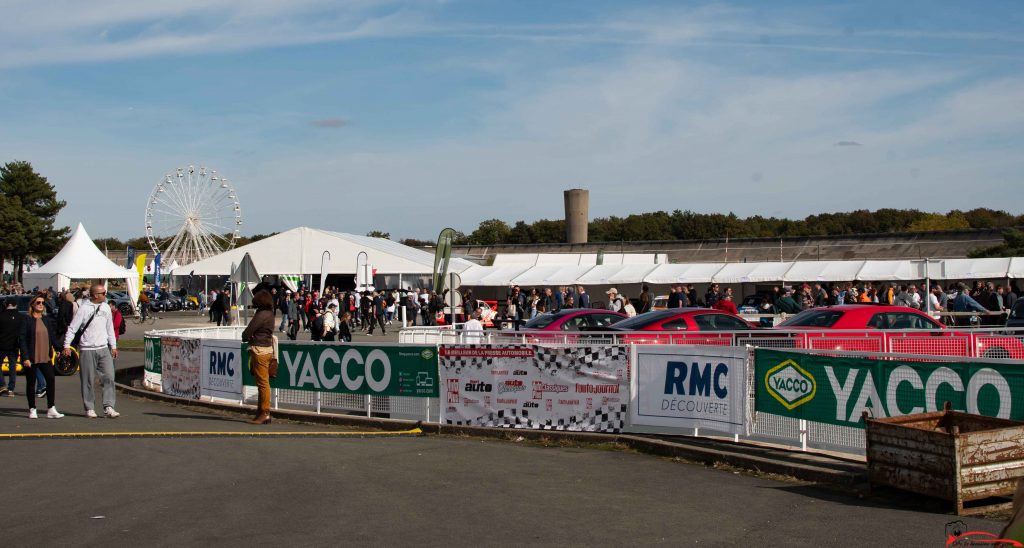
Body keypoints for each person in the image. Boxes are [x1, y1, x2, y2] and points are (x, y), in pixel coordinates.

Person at [62, 283, 119, 418]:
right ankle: (89, 407)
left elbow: (109, 328)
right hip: (87, 348)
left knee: (109, 377)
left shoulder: (105, 307)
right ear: (95, 295)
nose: (105, 295)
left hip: (103, 347)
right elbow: (72, 328)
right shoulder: (84, 308)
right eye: (103, 293)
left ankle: (109, 406)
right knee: (87, 380)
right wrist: (66, 345)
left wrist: (114, 345)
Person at [21, 294, 64, 419]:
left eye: (43, 303)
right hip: (31, 357)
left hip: (45, 356)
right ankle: (32, 409)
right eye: (38, 302)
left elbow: (52, 337)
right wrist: (25, 357)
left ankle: (51, 408)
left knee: (50, 379)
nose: (41, 305)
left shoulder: (46, 320)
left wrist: (59, 348)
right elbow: (22, 339)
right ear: (33, 304)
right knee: (31, 383)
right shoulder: (27, 319)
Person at [241, 290, 275, 425]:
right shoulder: (270, 314)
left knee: (262, 383)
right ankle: (261, 412)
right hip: (267, 349)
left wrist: (245, 336)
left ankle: (265, 413)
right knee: (263, 382)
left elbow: (249, 329)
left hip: (259, 350)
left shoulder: (261, 314)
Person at [0, 298, 21, 397]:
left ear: (6, 305)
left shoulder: (1, 316)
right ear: (15, 305)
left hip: (2, 344)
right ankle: (11, 389)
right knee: (13, 367)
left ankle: (2, 385)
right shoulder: (20, 316)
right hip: (14, 345)